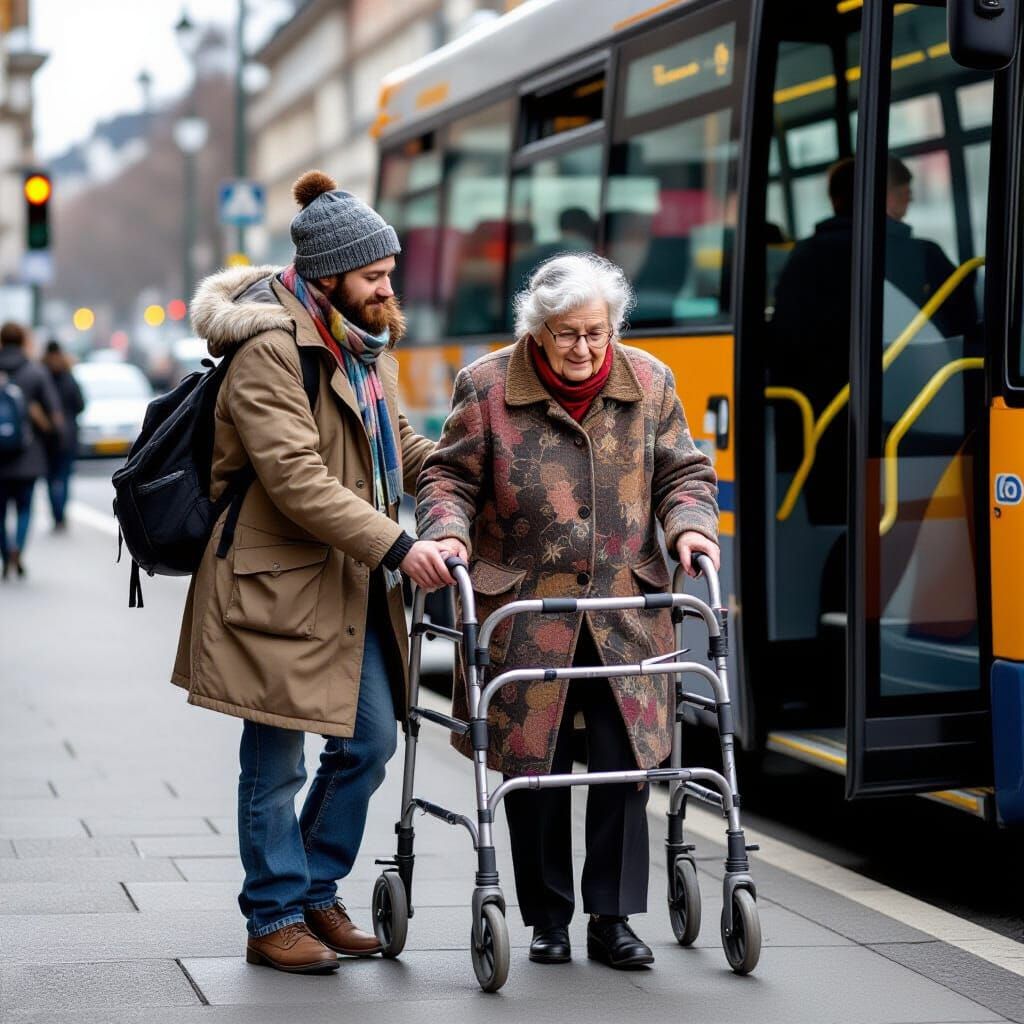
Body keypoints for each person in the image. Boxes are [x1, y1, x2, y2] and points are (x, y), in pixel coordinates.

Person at [173, 170, 455, 975]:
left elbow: (403, 447)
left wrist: (473, 484)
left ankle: (314, 887)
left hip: (343, 575)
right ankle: (273, 916)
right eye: (374, 276)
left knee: (368, 741)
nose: (387, 288)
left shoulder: (362, 345)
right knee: (276, 760)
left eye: (389, 273)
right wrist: (400, 548)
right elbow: (296, 480)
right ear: (328, 276)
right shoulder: (270, 346)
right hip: (272, 581)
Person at [416, 253, 720, 970]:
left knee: (623, 764)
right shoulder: (487, 385)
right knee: (534, 764)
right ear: (537, 331)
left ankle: (611, 920)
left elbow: (683, 471)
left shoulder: (650, 381)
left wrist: (689, 526)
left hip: (626, 606)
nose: (583, 348)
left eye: (595, 331)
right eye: (566, 334)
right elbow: (447, 476)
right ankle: (548, 917)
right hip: (524, 608)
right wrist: (448, 531)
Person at [0, 321, 60, 579]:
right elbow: (54, 415)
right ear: (23, 340)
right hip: (28, 455)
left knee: (0, 512)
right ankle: (18, 550)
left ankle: (5, 553)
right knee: (25, 508)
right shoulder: (35, 372)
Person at [42, 340, 85, 531]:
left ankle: (56, 513)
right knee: (64, 476)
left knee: (51, 477)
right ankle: (61, 514)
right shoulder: (69, 377)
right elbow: (80, 405)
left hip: (47, 435)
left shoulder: (41, 375)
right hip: (68, 434)